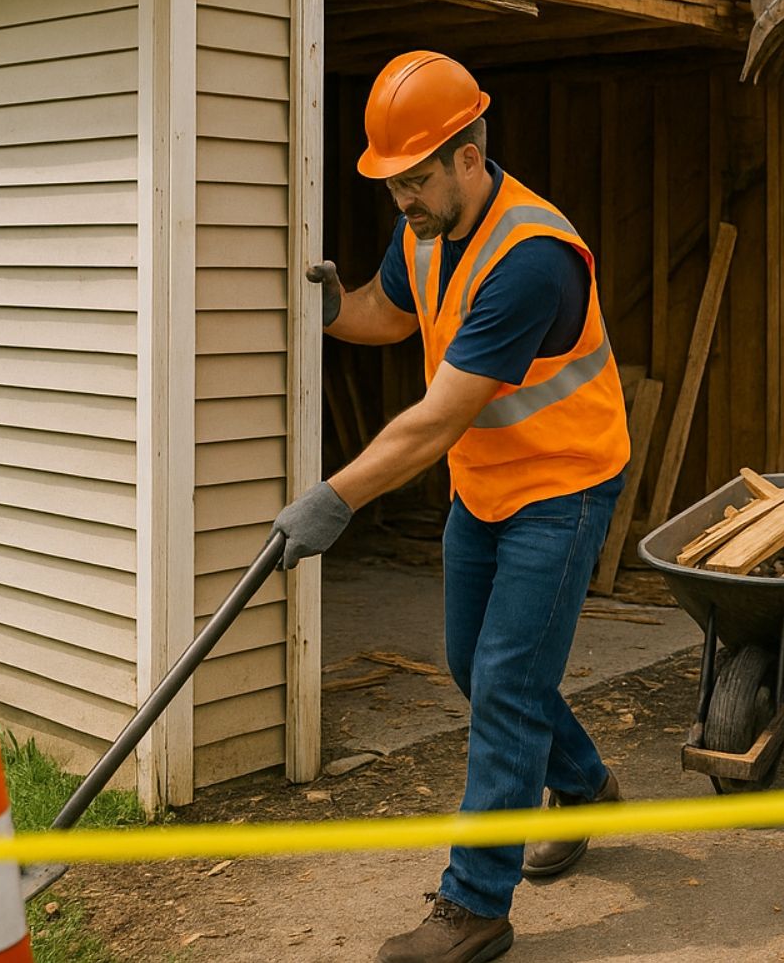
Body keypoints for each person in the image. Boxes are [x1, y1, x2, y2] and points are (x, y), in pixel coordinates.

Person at [268, 51, 631, 963]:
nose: (404, 201)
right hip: (488, 479)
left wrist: (333, 498)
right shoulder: (428, 225)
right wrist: (331, 311)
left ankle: (475, 905)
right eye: (392, 184)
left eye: (417, 178)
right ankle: (584, 784)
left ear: (470, 154)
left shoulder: (531, 259)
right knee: (477, 666)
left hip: (566, 485)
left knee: (507, 681)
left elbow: (434, 418)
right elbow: (389, 314)